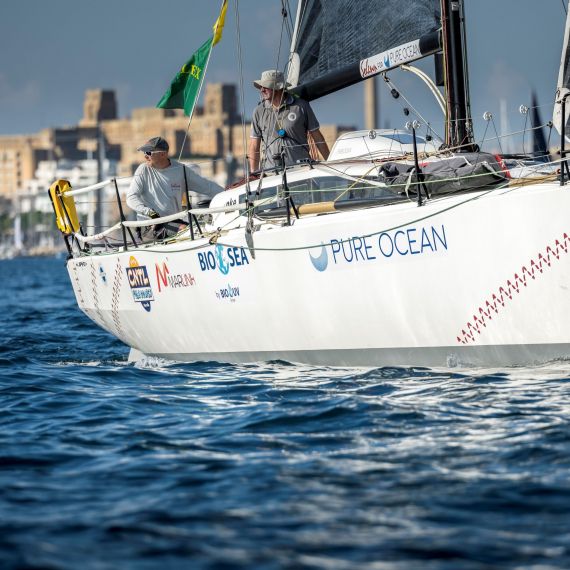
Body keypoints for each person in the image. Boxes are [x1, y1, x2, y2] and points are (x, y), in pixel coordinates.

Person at [126, 136, 223, 238]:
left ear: (163, 154)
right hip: (149, 224)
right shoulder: (143, 170)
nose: (145, 156)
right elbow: (131, 198)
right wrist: (149, 212)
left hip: (174, 221)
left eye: (149, 153)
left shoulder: (180, 170)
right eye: (144, 153)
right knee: (187, 231)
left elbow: (207, 186)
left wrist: (226, 192)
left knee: (201, 229)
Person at [248, 69, 330, 172]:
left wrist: (330, 162)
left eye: (266, 87)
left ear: (278, 87)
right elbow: (254, 145)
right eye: (261, 87)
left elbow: (317, 137)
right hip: (271, 174)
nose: (262, 90)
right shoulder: (258, 112)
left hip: (302, 170)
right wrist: (253, 173)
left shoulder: (301, 106)